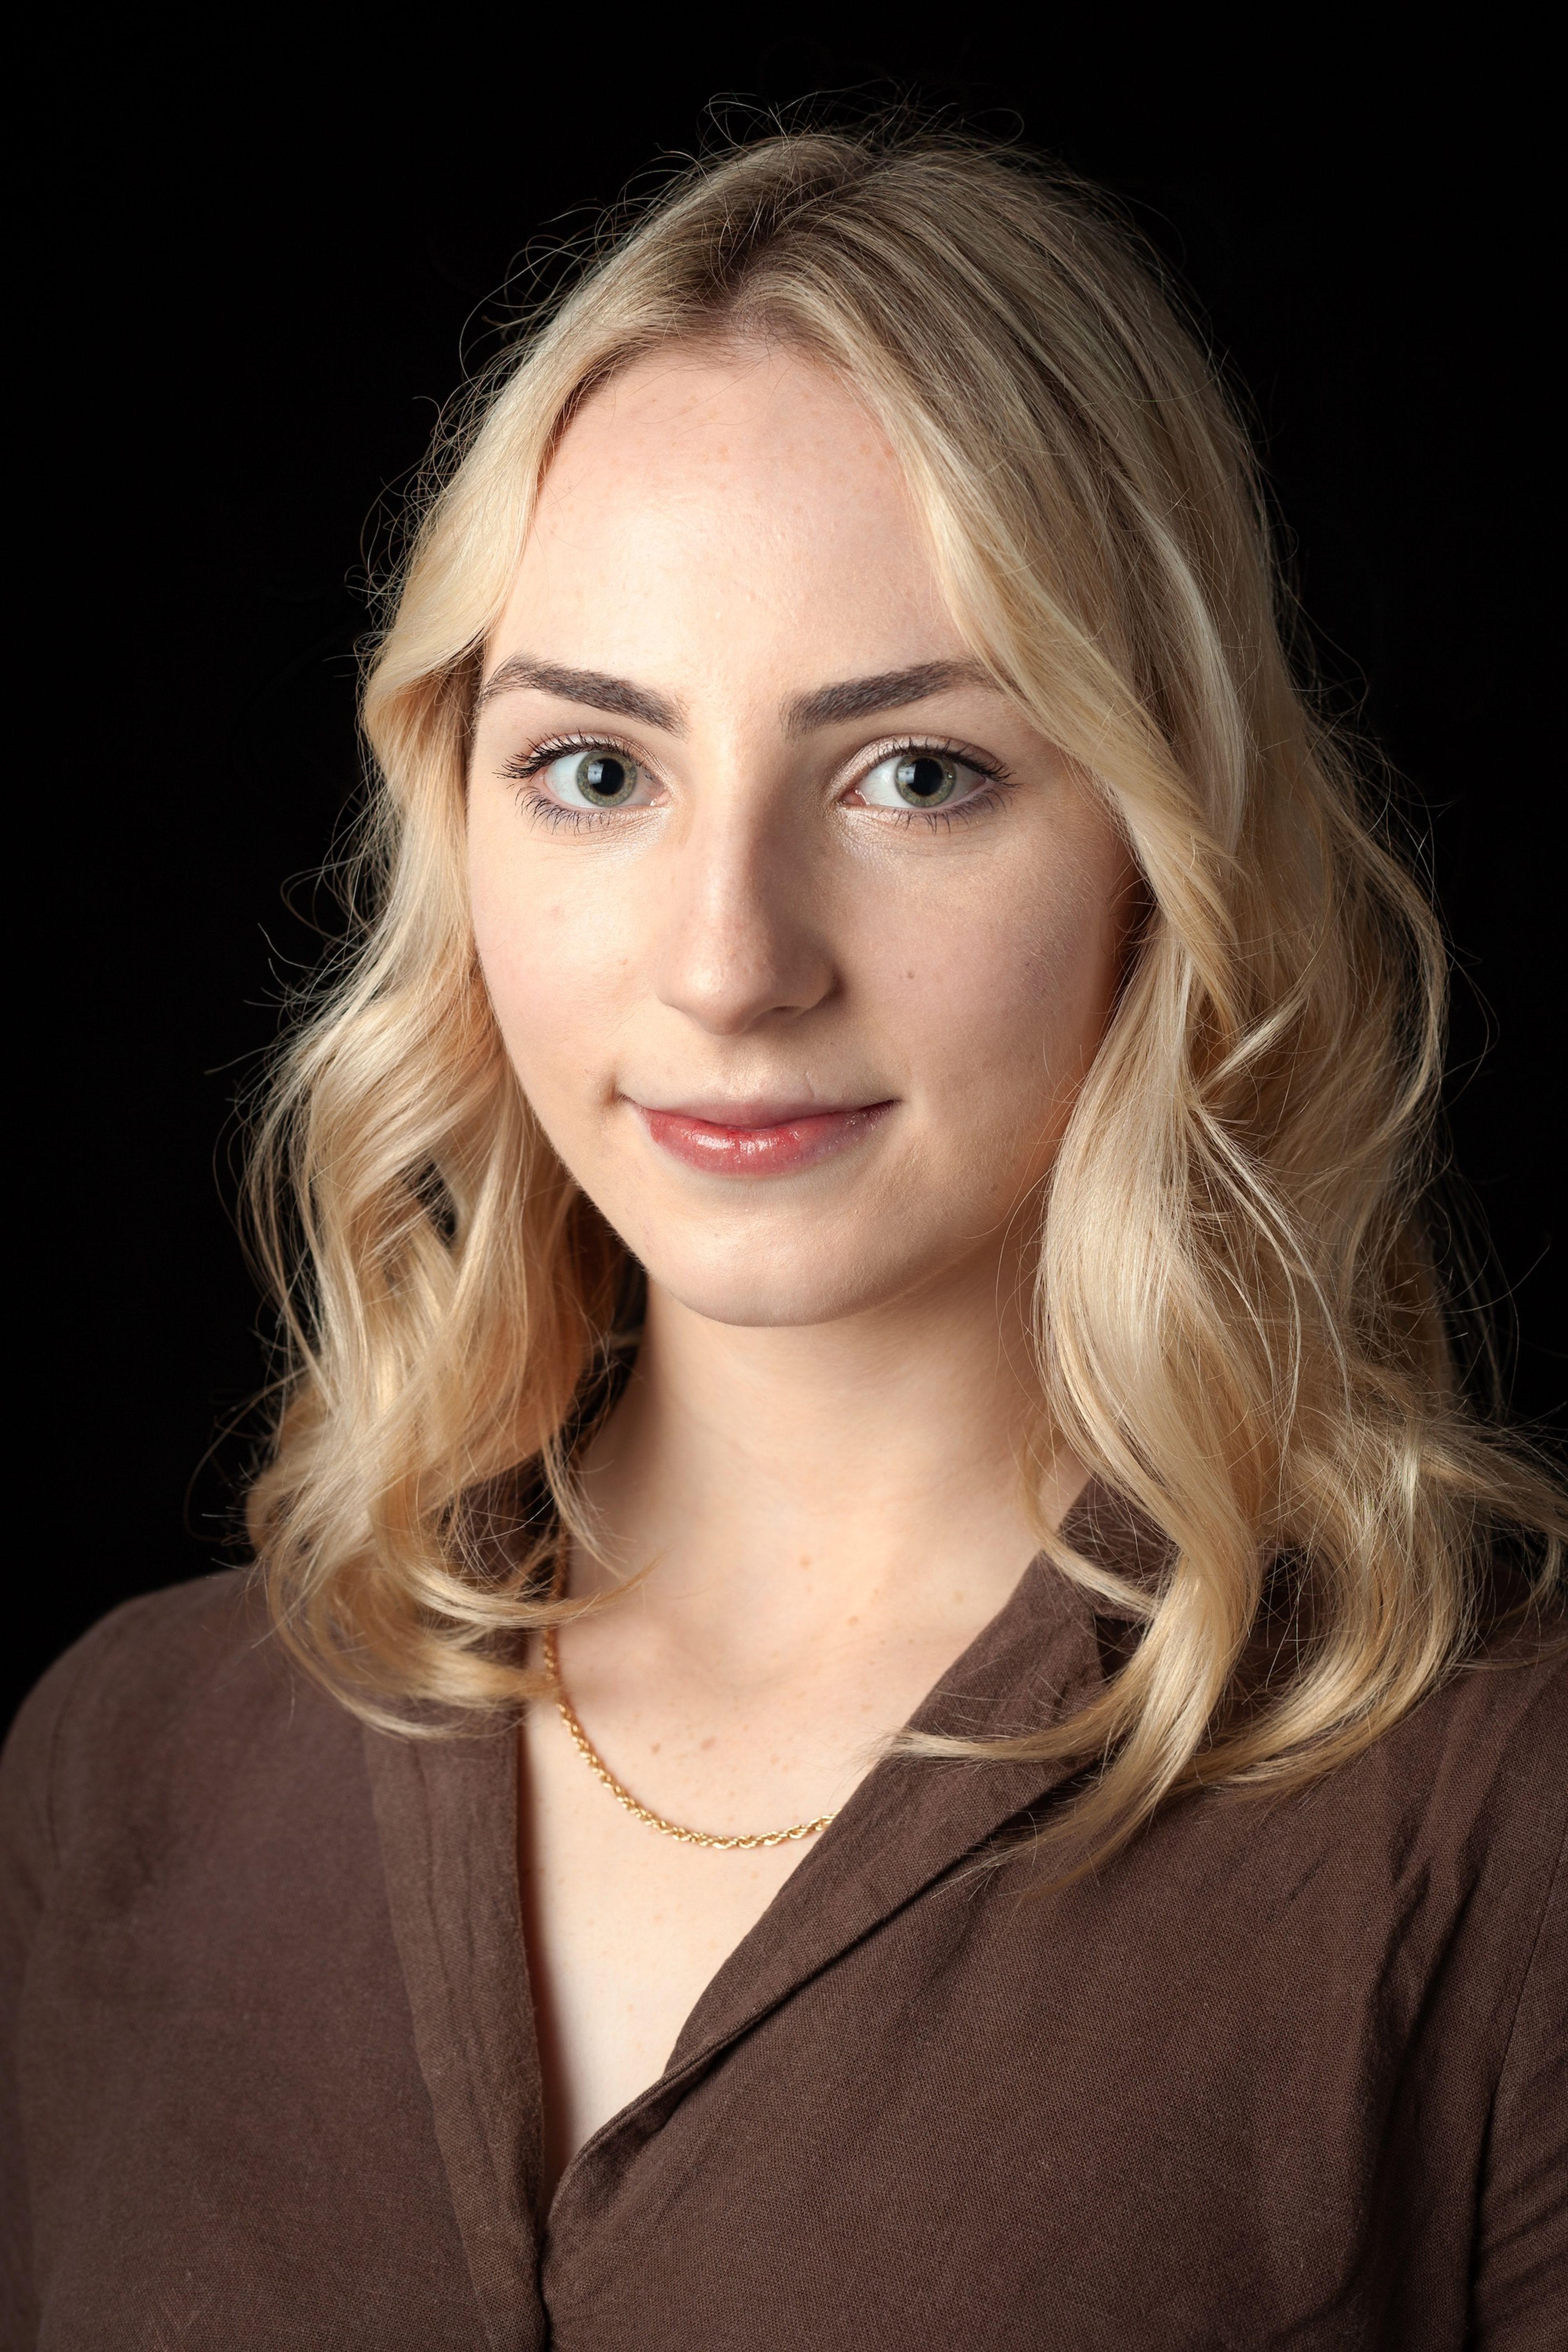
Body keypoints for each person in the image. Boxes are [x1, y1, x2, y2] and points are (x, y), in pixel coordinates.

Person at [2, 125, 1562, 2351]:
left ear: (1158, 836)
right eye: (598, 772)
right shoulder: (121, 1770)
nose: (731, 964)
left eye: (913, 773)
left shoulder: (1490, 1816)